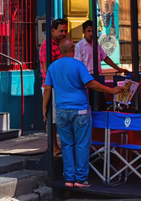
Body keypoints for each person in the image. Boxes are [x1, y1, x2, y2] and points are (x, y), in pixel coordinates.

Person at [43, 38, 121, 188]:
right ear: (73, 48)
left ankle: (68, 179)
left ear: (60, 50)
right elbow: (91, 83)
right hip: (80, 110)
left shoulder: (53, 67)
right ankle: (80, 179)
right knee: (81, 144)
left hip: (61, 111)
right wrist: (111, 90)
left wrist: (44, 107)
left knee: (66, 145)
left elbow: (47, 88)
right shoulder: (79, 65)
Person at [40, 18, 66, 156]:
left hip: (59, 87)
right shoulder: (47, 46)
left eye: (65, 31)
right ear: (53, 30)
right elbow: (47, 68)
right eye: (61, 31)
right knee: (52, 119)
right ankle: (53, 147)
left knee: (58, 118)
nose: (64, 33)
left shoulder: (59, 44)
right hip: (51, 87)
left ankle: (57, 146)